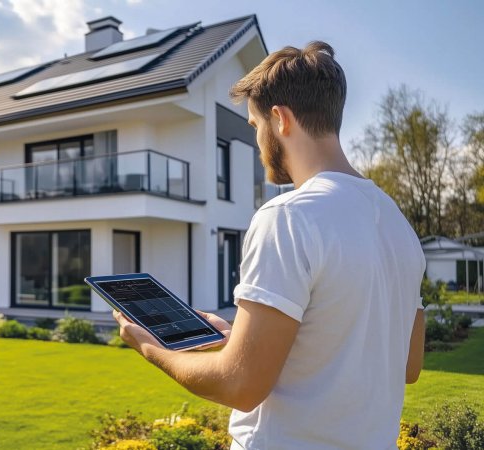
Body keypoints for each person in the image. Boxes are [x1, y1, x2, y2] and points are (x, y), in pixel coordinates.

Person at [112, 41, 426, 449]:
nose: (258, 144)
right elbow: (407, 365)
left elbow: (240, 385)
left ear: (279, 119)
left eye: (254, 126)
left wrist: (153, 349)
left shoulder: (288, 217)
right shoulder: (398, 226)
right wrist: (240, 338)